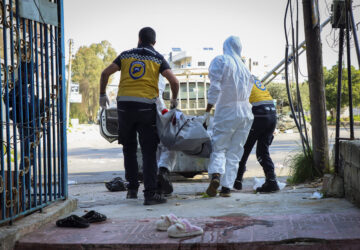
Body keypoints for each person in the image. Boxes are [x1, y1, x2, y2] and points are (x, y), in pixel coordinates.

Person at [99, 27, 179, 205]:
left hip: (125, 107)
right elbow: (174, 81)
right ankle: (150, 194)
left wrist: (102, 94)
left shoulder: (125, 55)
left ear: (138, 39)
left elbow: (105, 73)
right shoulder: (158, 58)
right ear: (154, 42)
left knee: (128, 148)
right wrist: (174, 101)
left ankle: (132, 190)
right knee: (149, 152)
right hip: (145, 107)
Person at [204, 36, 254, 198]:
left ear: (225, 46)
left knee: (219, 147)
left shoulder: (221, 60)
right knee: (235, 151)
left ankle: (216, 175)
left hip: (227, 110)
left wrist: (207, 110)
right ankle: (227, 187)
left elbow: (215, 88)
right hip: (246, 112)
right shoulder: (245, 68)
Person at [233, 76, 279, 193]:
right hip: (272, 115)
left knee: (244, 148)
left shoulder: (240, 78)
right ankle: (272, 181)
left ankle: (237, 181)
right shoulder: (253, 78)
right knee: (262, 151)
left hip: (258, 114)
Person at [155, 75, 176, 195]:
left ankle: (156, 183)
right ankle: (163, 171)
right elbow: (162, 110)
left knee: (151, 152)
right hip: (158, 122)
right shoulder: (158, 98)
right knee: (169, 147)